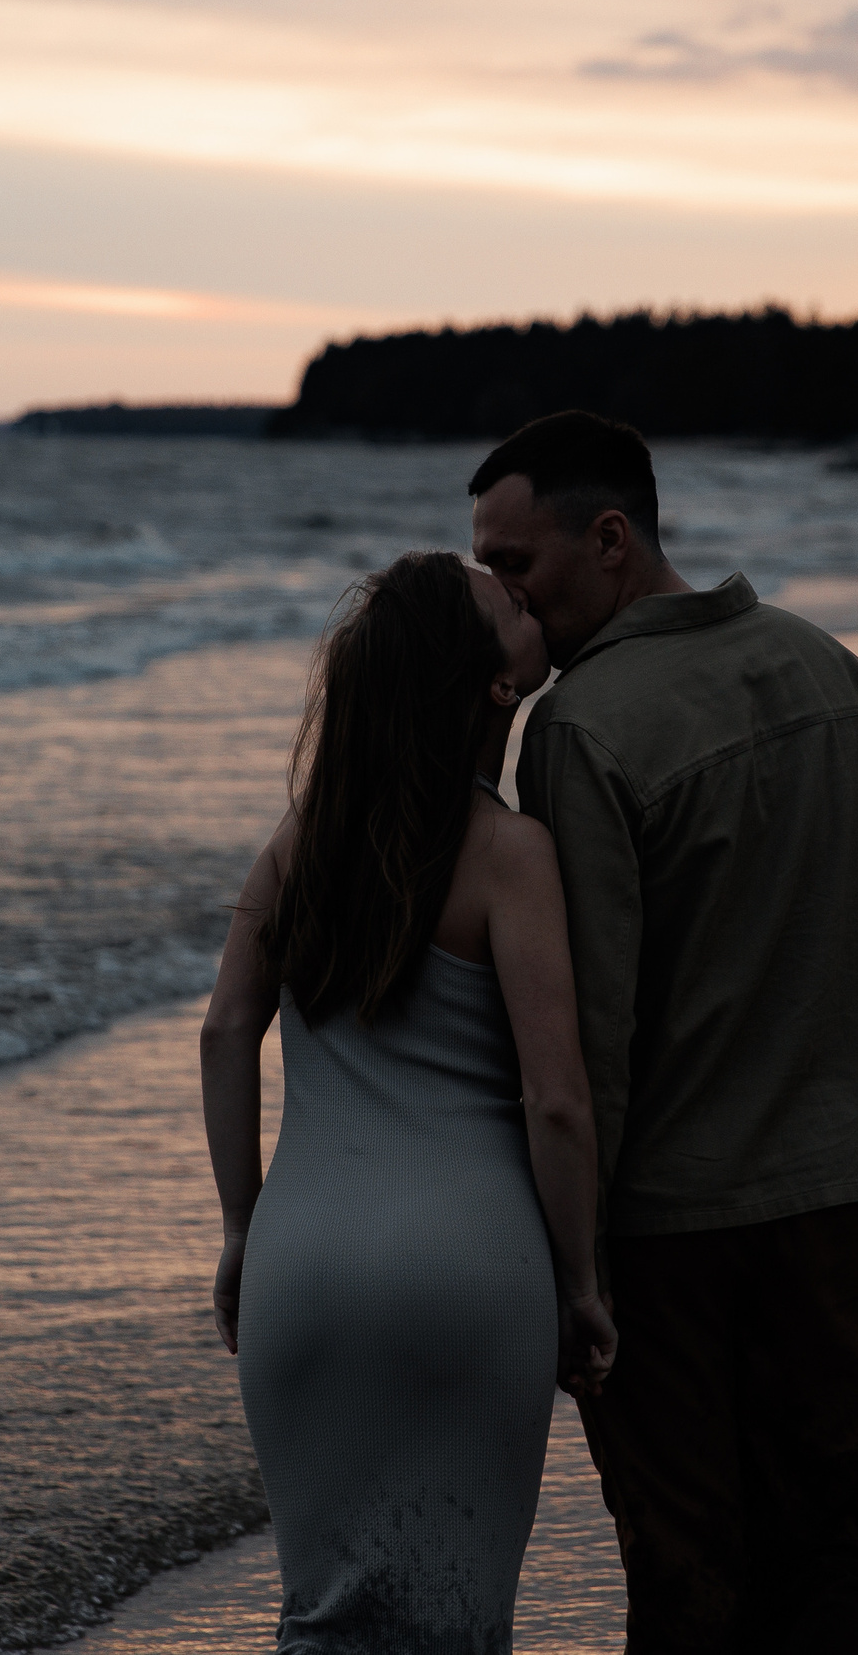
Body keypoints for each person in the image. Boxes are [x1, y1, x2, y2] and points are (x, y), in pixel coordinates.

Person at [469, 412, 858, 1653]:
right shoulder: (835, 669)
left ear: (611, 538)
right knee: (833, 1534)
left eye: (516, 562)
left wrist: (575, 1264)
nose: (498, 592)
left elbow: (593, 1031)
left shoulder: (583, 728)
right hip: (843, 1193)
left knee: (687, 1564)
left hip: (676, 1225)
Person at [201, 550, 621, 1655]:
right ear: (492, 684)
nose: (522, 596)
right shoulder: (511, 857)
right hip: (469, 1273)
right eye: (504, 605)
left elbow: (224, 1028)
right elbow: (557, 1101)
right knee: (458, 1621)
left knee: (323, 1622)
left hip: (300, 1266)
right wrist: (580, 1285)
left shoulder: (300, 842)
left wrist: (244, 1226)